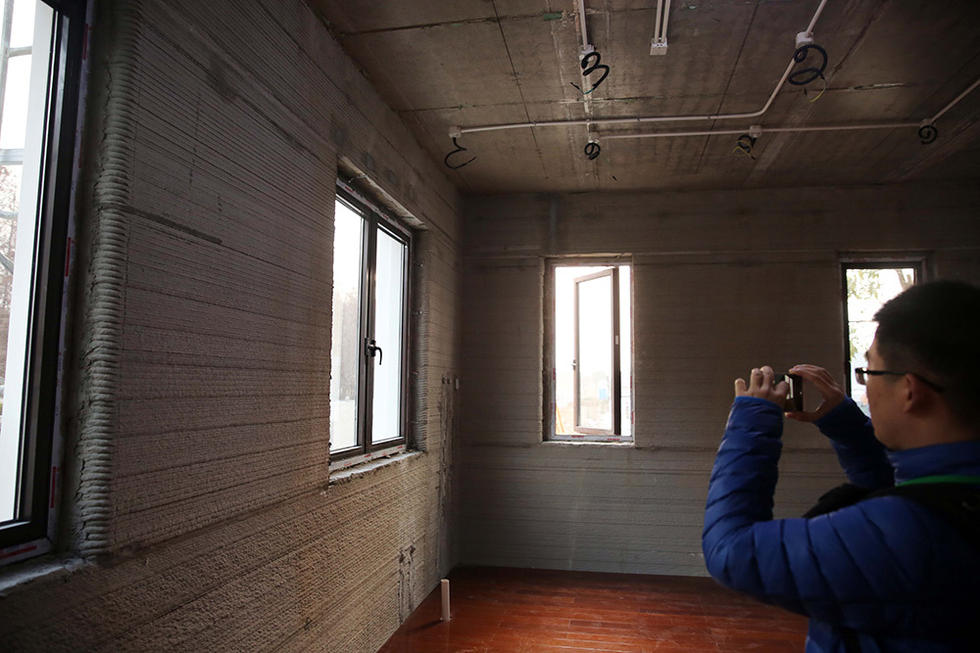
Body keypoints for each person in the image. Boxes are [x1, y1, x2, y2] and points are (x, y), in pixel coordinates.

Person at [702, 280, 980, 652]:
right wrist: (844, 422)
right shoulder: (954, 493)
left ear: (910, 391)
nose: (865, 388)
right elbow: (907, 490)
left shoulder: (904, 536)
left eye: (869, 373)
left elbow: (731, 551)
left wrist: (752, 420)